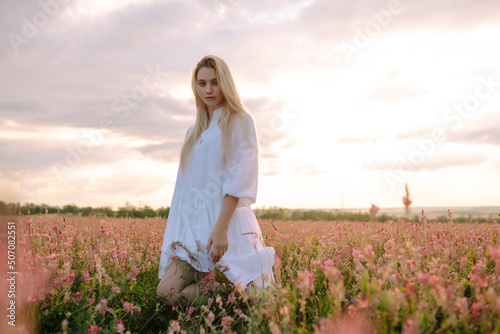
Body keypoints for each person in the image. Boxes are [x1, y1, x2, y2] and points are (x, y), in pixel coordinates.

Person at [156, 55, 275, 307]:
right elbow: (184, 189)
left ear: (225, 84)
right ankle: (234, 293)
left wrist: (220, 229)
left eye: (215, 82)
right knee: (166, 293)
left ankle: (244, 294)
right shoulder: (193, 133)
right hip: (193, 232)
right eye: (202, 84)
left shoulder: (240, 120)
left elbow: (239, 177)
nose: (208, 90)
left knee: (260, 301)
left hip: (225, 226)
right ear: (195, 87)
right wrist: (181, 232)